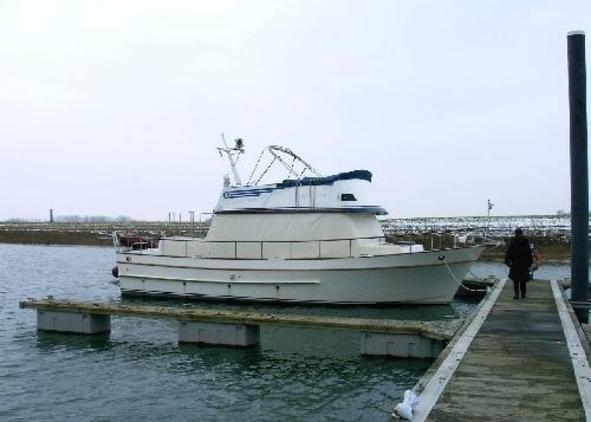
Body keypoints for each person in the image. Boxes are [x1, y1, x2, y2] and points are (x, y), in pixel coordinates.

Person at [505, 228, 533, 299]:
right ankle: (523, 295)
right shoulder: (525, 240)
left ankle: (516, 295)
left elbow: (509, 252)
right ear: (521, 233)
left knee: (515, 280)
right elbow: (529, 253)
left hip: (515, 263)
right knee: (523, 280)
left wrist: (507, 261)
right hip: (524, 263)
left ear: (515, 233)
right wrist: (530, 263)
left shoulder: (513, 241)